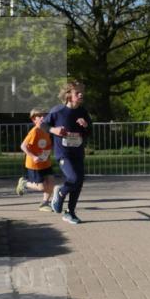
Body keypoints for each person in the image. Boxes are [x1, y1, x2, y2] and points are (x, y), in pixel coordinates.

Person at [46, 80, 92, 225]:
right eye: (77, 92)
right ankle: (60, 192)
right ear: (68, 95)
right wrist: (54, 130)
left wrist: (85, 126)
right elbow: (42, 126)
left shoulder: (83, 112)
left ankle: (70, 212)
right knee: (73, 177)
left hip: (78, 153)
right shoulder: (57, 111)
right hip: (63, 153)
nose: (81, 95)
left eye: (82, 92)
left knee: (79, 182)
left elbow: (89, 132)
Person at [15, 108, 56, 210]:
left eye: (44, 116)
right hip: (34, 164)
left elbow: (48, 145)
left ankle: (44, 204)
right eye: (40, 116)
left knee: (51, 184)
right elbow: (23, 146)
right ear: (34, 119)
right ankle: (24, 183)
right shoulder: (34, 131)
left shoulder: (47, 130)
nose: (43, 118)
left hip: (45, 162)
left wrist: (48, 152)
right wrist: (34, 157)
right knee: (42, 187)